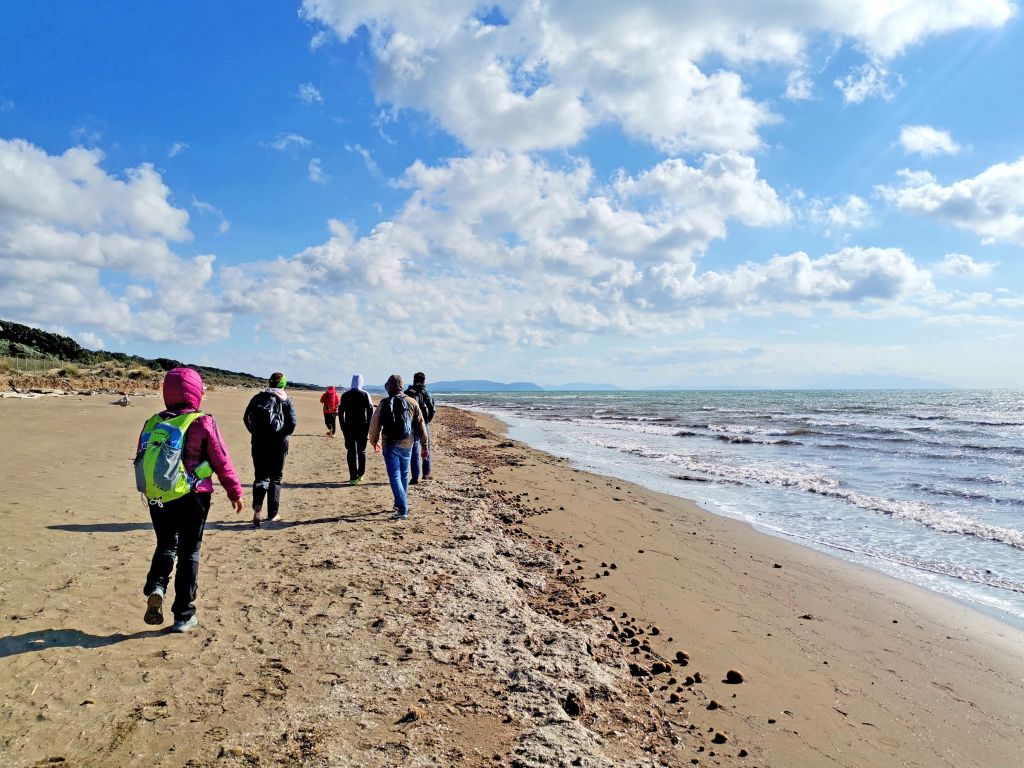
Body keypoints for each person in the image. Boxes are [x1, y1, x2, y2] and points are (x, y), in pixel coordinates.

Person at [137, 367, 244, 633]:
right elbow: (221, 459)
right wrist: (235, 492)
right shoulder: (202, 421)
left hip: (158, 496)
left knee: (165, 545)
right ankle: (183, 614)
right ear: (196, 391)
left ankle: (158, 587)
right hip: (194, 497)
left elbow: (141, 458)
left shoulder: (153, 422)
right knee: (189, 552)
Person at [369, 374, 428, 519]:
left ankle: (403, 509)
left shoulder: (384, 403)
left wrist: (374, 441)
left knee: (395, 476)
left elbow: (374, 425)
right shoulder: (412, 402)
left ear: (388, 387)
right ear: (402, 385)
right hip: (407, 444)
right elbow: (421, 426)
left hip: (389, 444)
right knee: (404, 474)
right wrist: (424, 445)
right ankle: (400, 503)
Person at [243, 371, 297, 527]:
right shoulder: (286, 400)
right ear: (284, 384)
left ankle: (257, 509)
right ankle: (273, 514)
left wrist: (255, 432)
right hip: (279, 444)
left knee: (260, 477)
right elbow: (292, 425)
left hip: (258, 443)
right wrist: (282, 435)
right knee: (275, 479)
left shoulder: (258, 397)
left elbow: (245, 418)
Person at [339, 373, 373, 484]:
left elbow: (340, 413)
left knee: (351, 451)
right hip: (363, 427)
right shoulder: (365, 394)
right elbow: (370, 412)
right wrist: (368, 427)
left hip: (348, 427)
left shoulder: (345, 395)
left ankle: (353, 477)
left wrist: (343, 427)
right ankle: (360, 474)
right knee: (361, 451)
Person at [404, 371, 436, 484]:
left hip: (411, 423)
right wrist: (427, 421)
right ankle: (426, 473)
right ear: (424, 381)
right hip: (423, 422)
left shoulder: (407, 392)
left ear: (413, 379)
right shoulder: (425, 392)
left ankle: (415, 476)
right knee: (425, 446)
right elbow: (432, 409)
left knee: (414, 449)